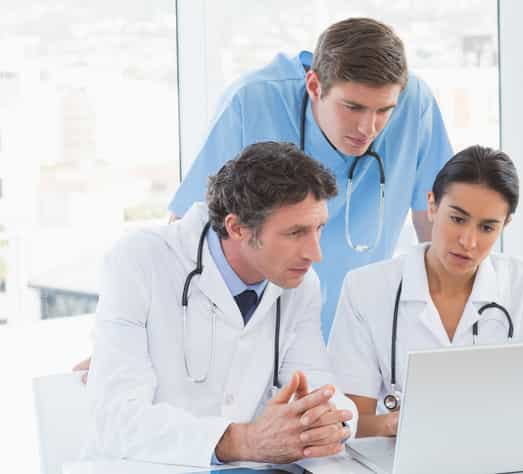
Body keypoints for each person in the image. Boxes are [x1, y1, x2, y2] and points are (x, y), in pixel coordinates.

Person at [169, 17, 453, 338]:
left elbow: (437, 222)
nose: (368, 128)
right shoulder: (251, 102)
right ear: (314, 86)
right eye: (353, 107)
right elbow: (188, 231)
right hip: (259, 327)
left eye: (384, 110)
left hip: (361, 327)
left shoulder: (414, 102)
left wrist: (444, 325)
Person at [83, 142, 356, 467]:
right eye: (295, 233)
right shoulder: (140, 260)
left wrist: (332, 421)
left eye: (319, 228)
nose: (316, 254)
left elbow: (316, 382)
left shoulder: (299, 284)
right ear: (237, 227)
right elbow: (116, 419)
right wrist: (243, 441)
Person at [327, 145, 523, 438]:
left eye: (488, 227)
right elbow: (348, 424)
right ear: (432, 205)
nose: (468, 241)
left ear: (505, 225)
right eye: (457, 218)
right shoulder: (366, 289)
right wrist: (401, 424)